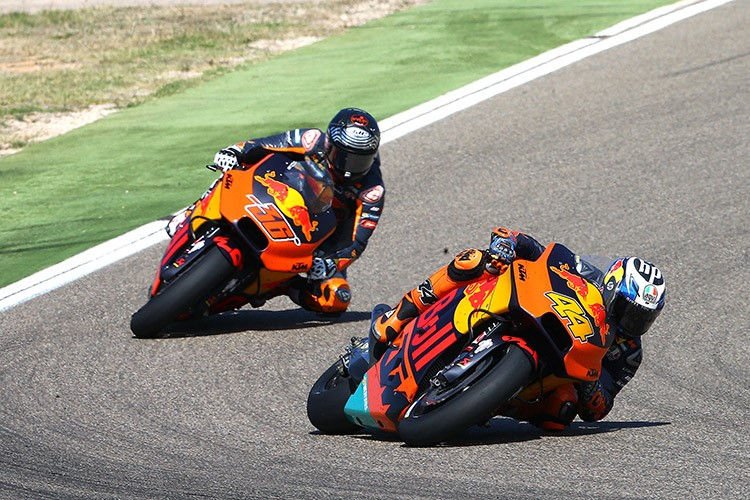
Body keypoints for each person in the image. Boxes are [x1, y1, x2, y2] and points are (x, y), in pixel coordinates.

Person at [371, 227, 667, 430]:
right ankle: (399, 314)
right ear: (612, 287)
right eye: (630, 311)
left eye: (644, 318)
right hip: (532, 314)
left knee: (561, 410)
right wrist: (508, 244)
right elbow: (540, 251)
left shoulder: (629, 353)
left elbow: (599, 409)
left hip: (547, 377)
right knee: (477, 260)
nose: (634, 322)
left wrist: (591, 383)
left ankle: (483, 402)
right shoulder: (585, 272)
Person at [169, 107, 384, 315]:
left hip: (317, 241)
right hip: (277, 199)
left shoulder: (372, 191)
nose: (348, 169)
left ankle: (282, 285)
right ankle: (192, 211)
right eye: (343, 157)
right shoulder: (311, 140)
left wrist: (330, 263)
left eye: (359, 161)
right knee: (236, 168)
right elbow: (262, 145)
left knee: (336, 298)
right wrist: (234, 152)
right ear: (329, 144)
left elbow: (357, 242)